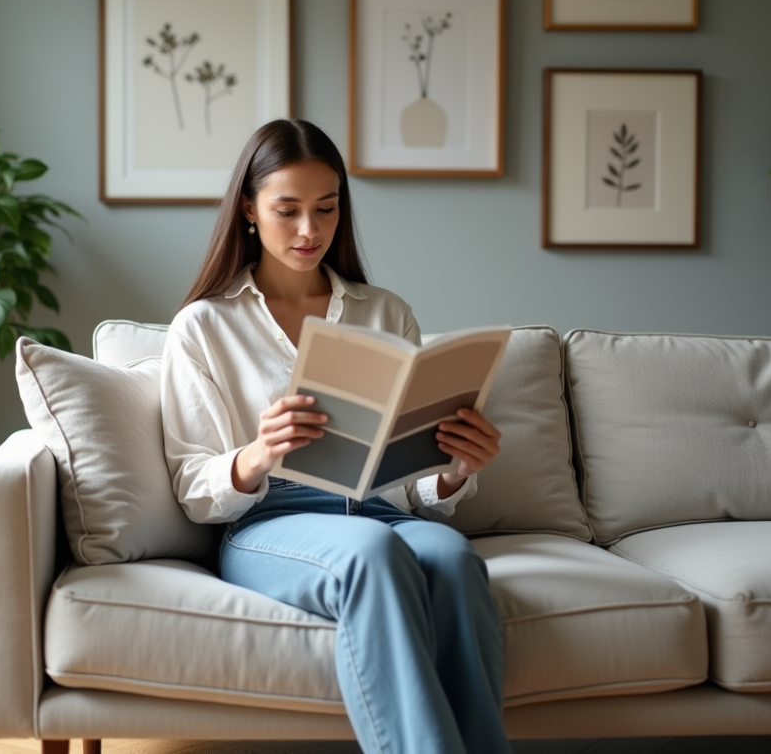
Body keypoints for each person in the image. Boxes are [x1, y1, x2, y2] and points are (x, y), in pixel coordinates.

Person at [161, 118, 510, 754]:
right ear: (248, 209)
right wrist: (259, 453)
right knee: (371, 557)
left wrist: (455, 469)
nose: (309, 230)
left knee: (455, 560)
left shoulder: (386, 312)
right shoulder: (204, 326)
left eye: (326, 209)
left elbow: (408, 486)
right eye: (287, 210)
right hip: (270, 523)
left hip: (380, 511)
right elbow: (194, 489)